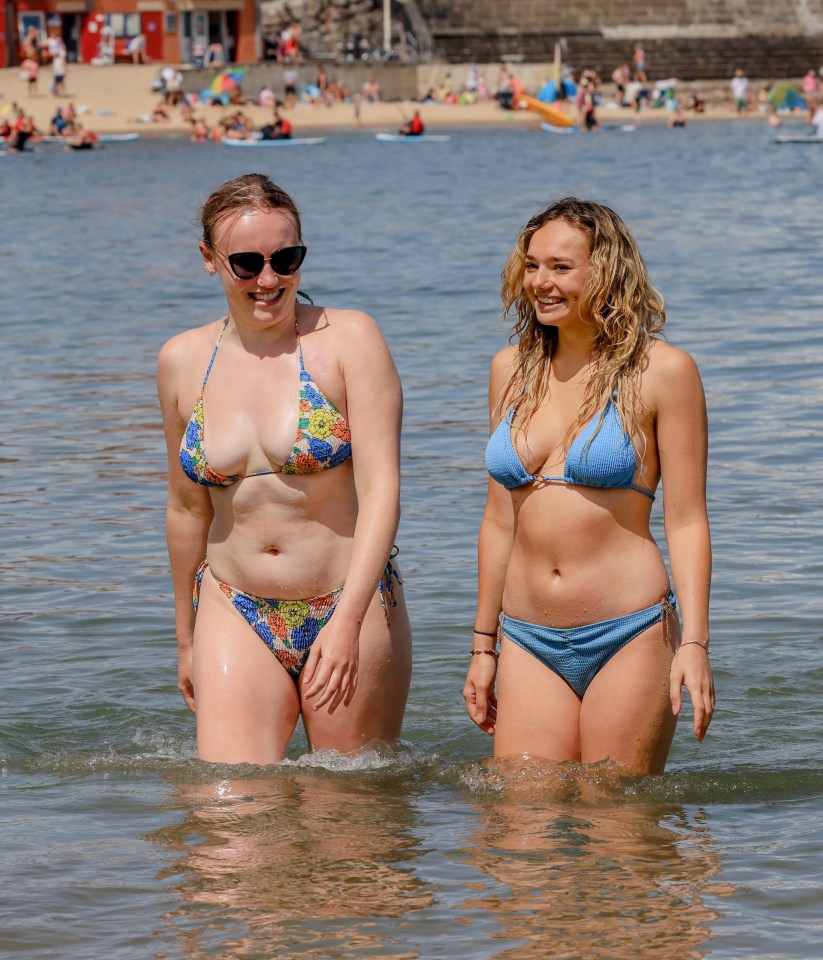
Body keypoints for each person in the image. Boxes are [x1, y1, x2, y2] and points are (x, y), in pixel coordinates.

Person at [157, 174, 412, 765]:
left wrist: (348, 622)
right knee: (229, 827)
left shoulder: (349, 340)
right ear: (208, 259)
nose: (269, 280)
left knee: (346, 827)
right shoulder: (182, 360)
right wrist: (186, 638)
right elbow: (185, 506)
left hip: (345, 601)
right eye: (246, 263)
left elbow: (381, 491)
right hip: (233, 604)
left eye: (285, 258)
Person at [463, 198, 714, 775]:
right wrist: (483, 647)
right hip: (526, 638)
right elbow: (499, 520)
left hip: (628, 632)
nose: (540, 282)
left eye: (560, 267)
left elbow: (687, 519)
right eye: (532, 266)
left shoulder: (662, 372)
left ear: (605, 272)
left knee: (619, 831)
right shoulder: (511, 370)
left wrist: (695, 645)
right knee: (520, 834)